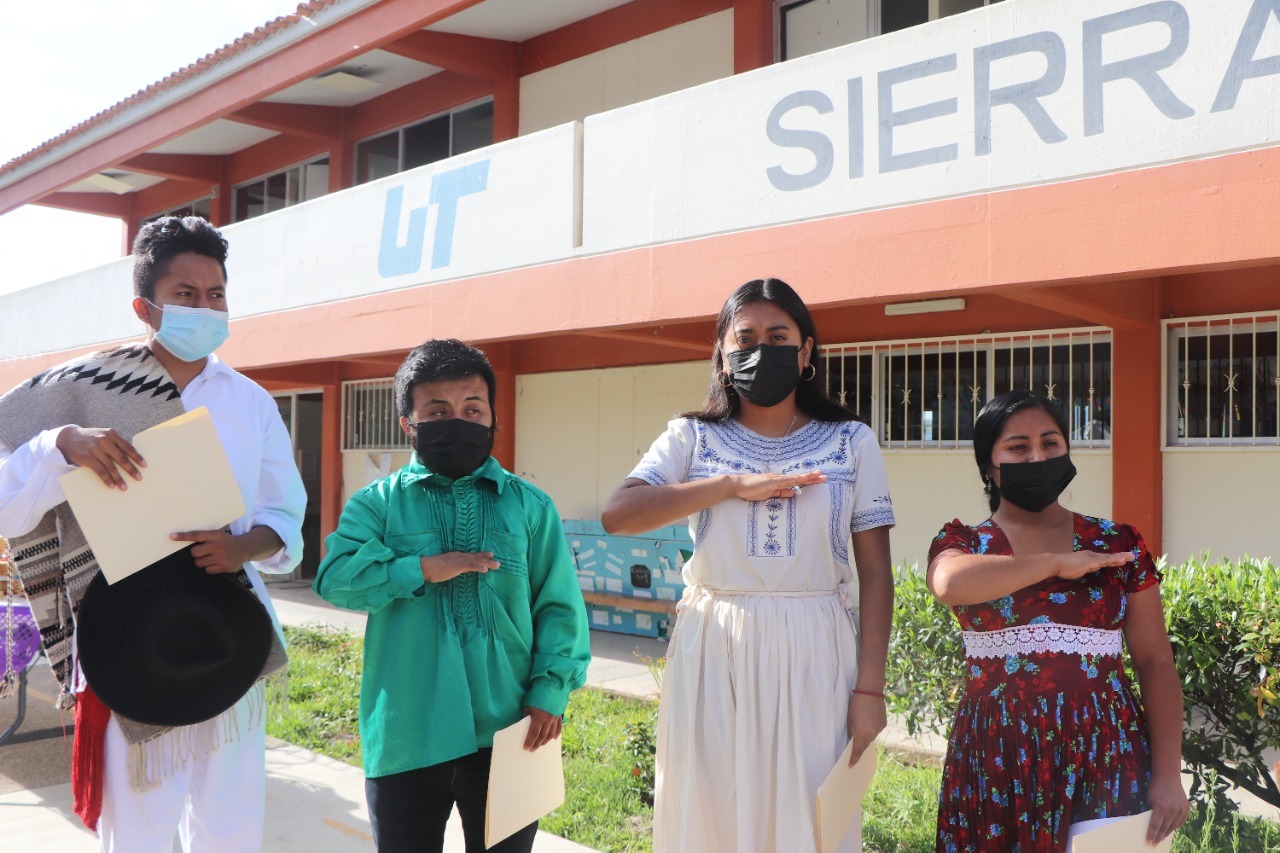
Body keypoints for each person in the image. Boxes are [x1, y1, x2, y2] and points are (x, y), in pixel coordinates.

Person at [0, 215, 306, 851]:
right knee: (136, 833)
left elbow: (287, 518)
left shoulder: (249, 401)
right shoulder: (80, 395)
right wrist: (59, 446)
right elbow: (8, 511)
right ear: (145, 305)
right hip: (127, 639)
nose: (204, 307)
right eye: (186, 295)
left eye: (216, 294)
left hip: (227, 636)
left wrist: (244, 546)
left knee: (230, 827)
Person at [601, 277, 895, 853]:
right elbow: (620, 513)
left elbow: (876, 572)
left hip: (816, 650)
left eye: (779, 335)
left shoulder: (851, 441)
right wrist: (731, 485)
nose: (762, 349)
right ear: (723, 353)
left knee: (809, 821)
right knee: (713, 811)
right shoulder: (691, 437)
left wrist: (871, 690)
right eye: (746, 338)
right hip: (716, 648)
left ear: (806, 351)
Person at [313, 338, 591, 853]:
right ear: (408, 423)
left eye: (472, 408)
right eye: (438, 411)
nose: (458, 420)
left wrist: (549, 693)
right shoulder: (376, 505)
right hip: (406, 733)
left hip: (511, 730)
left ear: (492, 418)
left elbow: (559, 608)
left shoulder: (531, 507)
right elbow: (335, 580)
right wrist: (418, 568)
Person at [926, 390, 1189, 851]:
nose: (1037, 456)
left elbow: (1155, 662)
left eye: (1051, 443)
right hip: (998, 757)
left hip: (1104, 752)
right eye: (1017, 447)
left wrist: (1169, 775)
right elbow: (948, 583)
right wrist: (1055, 563)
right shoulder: (965, 543)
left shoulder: (1116, 544)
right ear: (989, 465)